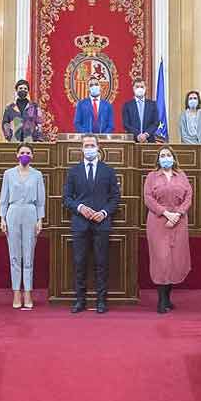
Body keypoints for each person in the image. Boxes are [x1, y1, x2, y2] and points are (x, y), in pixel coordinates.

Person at [63, 134, 121, 313]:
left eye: (92, 145)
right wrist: (80, 208)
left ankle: (101, 301)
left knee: (101, 262)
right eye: (86, 145)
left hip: (101, 223)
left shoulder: (108, 171)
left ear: (98, 147)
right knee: (79, 262)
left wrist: (103, 212)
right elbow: (66, 198)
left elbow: (115, 198)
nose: (89, 148)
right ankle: (80, 300)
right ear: (81, 148)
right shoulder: (73, 171)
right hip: (80, 223)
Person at [144, 147, 193, 314]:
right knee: (161, 259)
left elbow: (188, 196)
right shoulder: (151, 176)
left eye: (168, 155)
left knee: (174, 259)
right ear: (158, 160)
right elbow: (148, 198)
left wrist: (178, 214)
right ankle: (161, 299)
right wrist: (165, 213)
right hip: (158, 221)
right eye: (162, 156)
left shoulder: (182, 175)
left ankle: (168, 298)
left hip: (179, 221)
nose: (166, 158)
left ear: (174, 158)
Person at [0, 144, 46, 309]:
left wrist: (40, 219)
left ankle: (27, 292)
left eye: (28, 153)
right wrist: (2, 218)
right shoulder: (8, 174)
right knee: (14, 255)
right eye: (22, 152)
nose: (25, 155)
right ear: (17, 155)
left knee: (28, 255)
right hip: (13, 212)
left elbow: (41, 199)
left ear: (32, 156)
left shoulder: (37, 175)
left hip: (30, 212)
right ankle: (16, 292)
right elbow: (3, 198)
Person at [121, 77, 160, 142]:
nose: (140, 89)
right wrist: (138, 134)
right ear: (133, 88)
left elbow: (156, 123)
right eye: (137, 87)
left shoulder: (152, 105)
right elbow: (126, 124)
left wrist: (146, 134)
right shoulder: (127, 105)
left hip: (149, 140)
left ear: (145, 88)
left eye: (142, 87)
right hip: (132, 141)